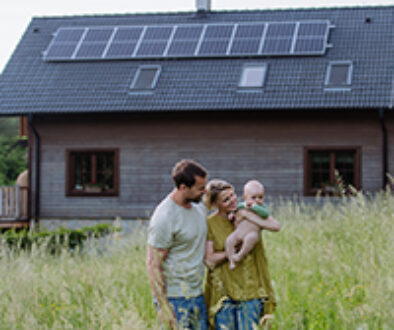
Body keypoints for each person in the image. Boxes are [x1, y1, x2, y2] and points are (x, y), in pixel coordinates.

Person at [203, 179, 280, 330]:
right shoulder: (210, 223)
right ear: (214, 205)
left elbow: (275, 226)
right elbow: (209, 260)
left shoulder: (250, 211)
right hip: (223, 292)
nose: (232, 201)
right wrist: (231, 253)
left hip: (251, 290)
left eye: (232, 195)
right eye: (225, 200)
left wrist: (248, 215)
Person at [146, 159, 209, 330]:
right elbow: (154, 265)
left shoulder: (198, 207)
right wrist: (164, 307)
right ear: (183, 188)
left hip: (197, 294)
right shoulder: (165, 217)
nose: (205, 191)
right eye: (200, 188)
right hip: (175, 298)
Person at [225, 180, 270, 270]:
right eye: (253, 197)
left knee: (252, 239)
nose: (257, 200)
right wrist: (232, 214)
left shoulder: (262, 208)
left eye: (260, 197)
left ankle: (239, 256)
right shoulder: (243, 205)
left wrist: (255, 207)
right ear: (245, 197)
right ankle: (231, 260)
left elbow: (265, 214)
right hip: (239, 232)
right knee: (229, 241)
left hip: (251, 233)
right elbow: (236, 209)